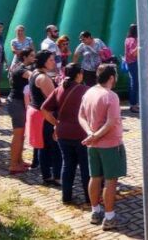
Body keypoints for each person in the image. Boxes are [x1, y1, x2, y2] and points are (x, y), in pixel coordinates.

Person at [79, 64, 126, 230]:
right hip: (110, 144)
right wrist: (95, 135)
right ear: (112, 78)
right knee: (111, 181)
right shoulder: (111, 96)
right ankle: (109, 216)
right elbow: (111, 122)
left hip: (93, 144)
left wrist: (90, 134)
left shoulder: (89, 92)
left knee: (95, 177)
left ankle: (95, 211)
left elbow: (81, 116)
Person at [41, 63, 91, 204]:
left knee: (67, 165)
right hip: (81, 134)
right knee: (85, 167)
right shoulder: (85, 90)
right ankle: (89, 198)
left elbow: (44, 109)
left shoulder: (59, 89)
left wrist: (56, 123)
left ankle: (66, 197)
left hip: (63, 133)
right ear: (79, 74)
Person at [29, 50, 62, 186]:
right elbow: (53, 100)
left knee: (43, 145)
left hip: (37, 113)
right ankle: (53, 176)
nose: (54, 62)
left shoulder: (35, 74)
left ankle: (46, 175)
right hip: (44, 116)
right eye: (51, 60)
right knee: (52, 146)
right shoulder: (43, 78)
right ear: (43, 61)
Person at [8, 48, 35, 173]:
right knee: (18, 134)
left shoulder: (21, 67)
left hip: (19, 103)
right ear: (24, 57)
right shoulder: (22, 70)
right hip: (17, 103)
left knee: (21, 134)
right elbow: (32, 76)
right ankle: (13, 164)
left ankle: (19, 160)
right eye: (31, 56)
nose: (33, 58)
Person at [124, 24, 140, 113]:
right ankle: (133, 105)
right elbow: (133, 53)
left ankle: (133, 103)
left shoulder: (128, 39)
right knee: (135, 84)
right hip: (134, 63)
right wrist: (140, 47)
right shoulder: (133, 40)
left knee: (133, 83)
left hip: (130, 63)